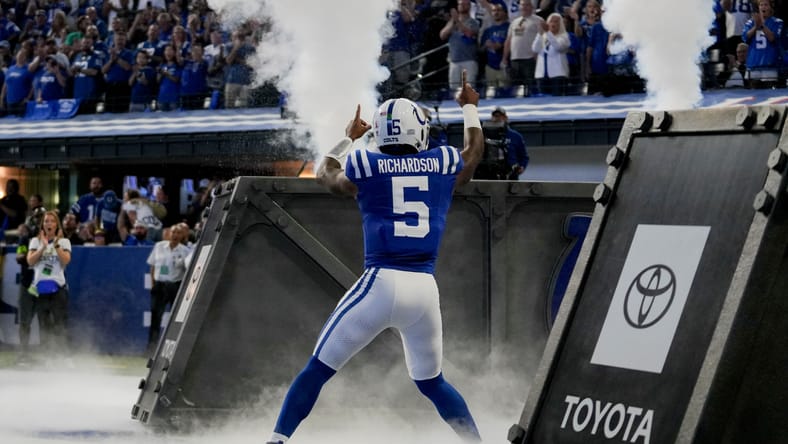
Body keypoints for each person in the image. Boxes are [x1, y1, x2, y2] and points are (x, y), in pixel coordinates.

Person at [265, 70, 484, 444]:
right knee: (432, 382)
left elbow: (326, 175)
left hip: (381, 282)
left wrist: (346, 139)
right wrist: (469, 109)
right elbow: (473, 153)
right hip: (424, 289)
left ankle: (277, 441)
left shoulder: (366, 163)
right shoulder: (443, 161)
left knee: (317, 369)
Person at [26, 210, 71, 351]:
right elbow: (30, 261)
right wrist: (43, 247)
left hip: (58, 287)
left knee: (60, 323)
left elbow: (66, 260)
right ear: (42, 225)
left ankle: (63, 355)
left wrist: (56, 244)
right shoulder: (35, 241)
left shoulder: (64, 242)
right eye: (46, 221)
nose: (49, 223)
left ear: (57, 224)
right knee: (43, 324)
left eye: (52, 221)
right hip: (41, 288)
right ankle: (47, 357)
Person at [145, 223, 189, 351]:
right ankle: (151, 348)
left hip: (175, 286)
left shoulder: (185, 251)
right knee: (155, 316)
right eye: (173, 232)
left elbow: (187, 271)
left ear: (182, 236)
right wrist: (153, 284)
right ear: (169, 233)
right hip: (159, 285)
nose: (175, 235)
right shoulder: (159, 246)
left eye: (178, 233)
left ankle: (175, 349)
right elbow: (153, 266)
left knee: (176, 317)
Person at [501, 0, 544, 94]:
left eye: (527, 5)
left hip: (530, 58)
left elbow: (543, 38)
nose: (524, 7)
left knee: (530, 86)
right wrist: (504, 58)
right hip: (515, 59)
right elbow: (508, 40)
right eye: (522, 5)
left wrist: (538, 55)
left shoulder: (538, 20)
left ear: (532, 7)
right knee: (514, 86)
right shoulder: (514, 22)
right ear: (519, 7)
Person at [475, 107, 529, 180]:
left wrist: (522, 166)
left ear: (506, 118)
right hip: (488, 172)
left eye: (500, 116)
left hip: (510, 173)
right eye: (495, 116)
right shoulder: (483, 135)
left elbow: (524, 156)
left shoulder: (516, 136)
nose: (497, 119)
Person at [439, 0, 480, 90]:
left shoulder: (473, 22)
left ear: (469, 6)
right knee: (453, 89)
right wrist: (453, 21)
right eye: (460, 4)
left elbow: (469, 33)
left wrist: (457, 20)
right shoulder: (452, 22)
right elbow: (442, 35)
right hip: (454, 61)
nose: (462, 6)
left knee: (469, 89)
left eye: (465, 4)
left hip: (469, 60)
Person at [532, 12, 570, 96]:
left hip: (558, 75)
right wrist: (539, 34)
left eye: (556, 21)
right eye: (551, 21)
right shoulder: (543, 37)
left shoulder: (564, 37)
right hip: (541, 75)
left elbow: (558, 47)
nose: (553, 23)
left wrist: (548, 32)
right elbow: (535, 48)